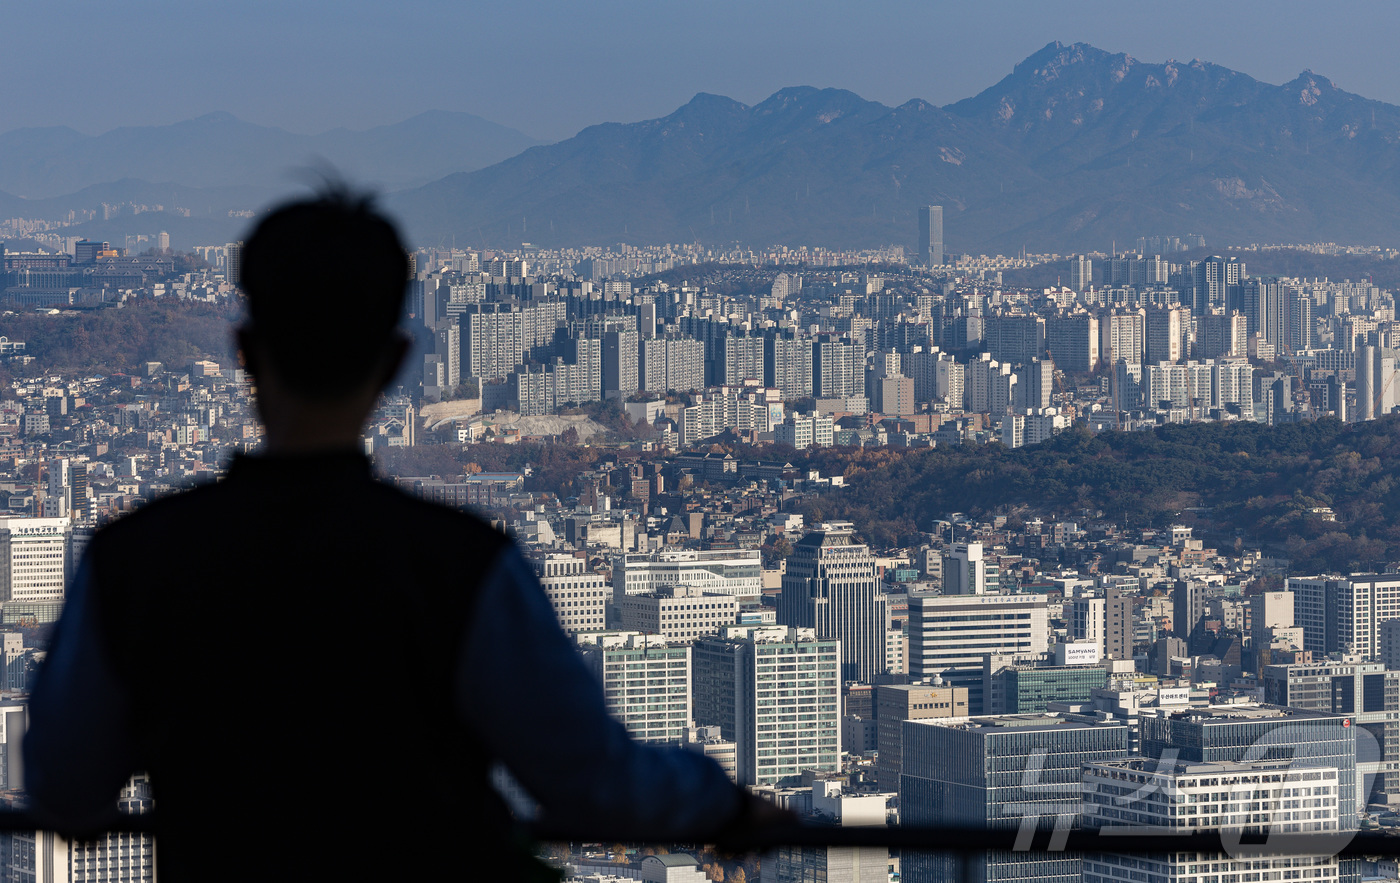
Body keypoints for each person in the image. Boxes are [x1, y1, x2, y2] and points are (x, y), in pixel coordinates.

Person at [24, 188, 778, 882]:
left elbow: (61, 785)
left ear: (246, 351)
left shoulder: (135, 560)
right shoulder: (458, 565)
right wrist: (726, 806)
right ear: (395, 361)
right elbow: (590, 779)